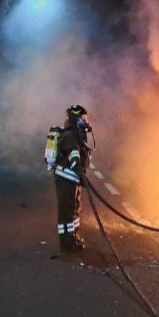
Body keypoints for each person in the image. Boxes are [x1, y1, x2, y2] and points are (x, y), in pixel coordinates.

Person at [53, 104, 92, 252]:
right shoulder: (69, 136)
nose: (85, 121)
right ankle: (66, 244)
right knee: (67, 211)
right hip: (66, 178)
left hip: (72, 179)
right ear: (75, 118)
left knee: (74, 209)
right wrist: (80, 174)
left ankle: (73, 237)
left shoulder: (76, 134)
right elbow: (74, 157)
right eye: (83, 118)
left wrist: (80, 176)